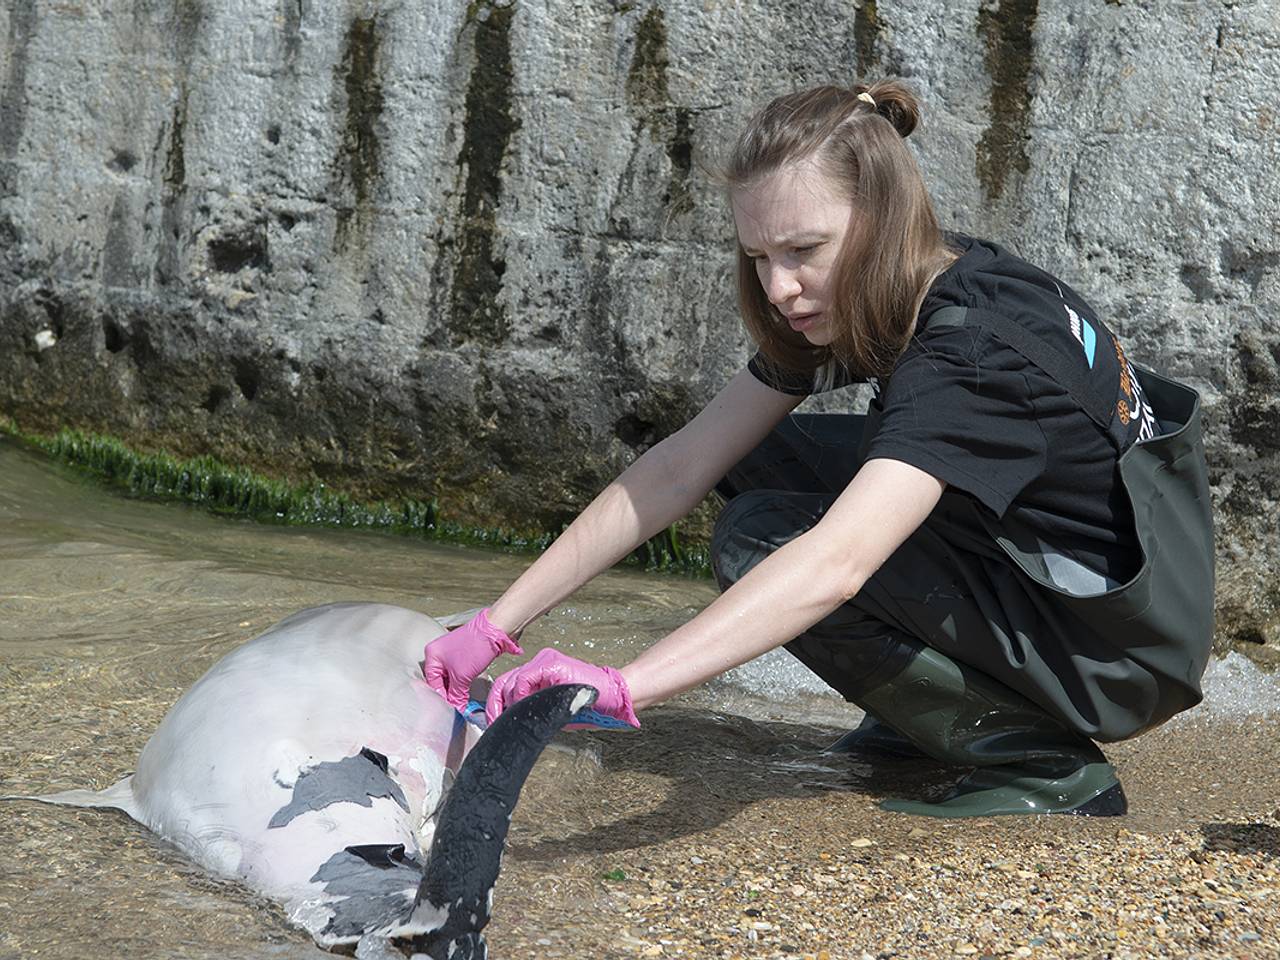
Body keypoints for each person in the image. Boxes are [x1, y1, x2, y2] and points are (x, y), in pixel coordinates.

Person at [422, 79, 1215, 817]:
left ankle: (1035, 760)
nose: (777, 288)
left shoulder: (970, 357)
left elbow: (836, 562)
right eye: (760, 256)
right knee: (762, 455)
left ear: (880, 219)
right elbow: (681, 463)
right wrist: (497, 623)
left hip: (1114, 655)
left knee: (763, 538)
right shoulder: (915, 279)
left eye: (803, 250)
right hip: (1064, 593)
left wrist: (622, 686)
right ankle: (919, 716)